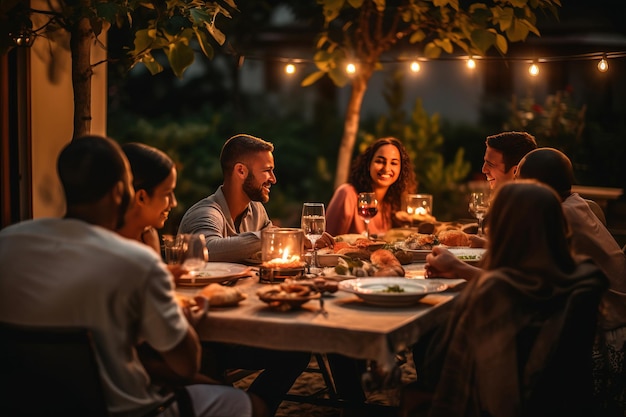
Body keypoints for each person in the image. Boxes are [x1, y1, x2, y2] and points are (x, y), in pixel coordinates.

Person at [0, 135, 261, 417]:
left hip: (29, 405)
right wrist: (186, 311)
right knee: (254, 406)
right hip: (133, 410)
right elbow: (186, 364)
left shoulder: (8, 242)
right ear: (119, 192)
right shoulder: (135, 261)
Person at [404, 181, 608, 417]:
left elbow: (447, 375)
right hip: (568, 404)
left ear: (503, 230)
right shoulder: (582, 279)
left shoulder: (496, 295)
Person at [178, 133, 312, 415]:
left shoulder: (256, 210)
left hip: (245, 317)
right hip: (211, 333)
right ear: (240, 171)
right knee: (297, 349)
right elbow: (209, 250)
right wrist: (269, 237)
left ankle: (254, 408)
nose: (273, 178)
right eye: (267, 170)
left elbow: (272, 251)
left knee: (302, 345)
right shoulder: (206, 213)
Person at [515, 147, 626, 414]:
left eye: (518, 177)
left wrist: (458, 267)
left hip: (608, 334)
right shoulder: (579, 205)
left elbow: (514, 278)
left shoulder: (559, 218)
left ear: (535, 186)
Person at [326, 136, 417, 237]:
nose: (387, 168)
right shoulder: (347, 194)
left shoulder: (391, 204)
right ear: (369, 164)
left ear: (401, 169)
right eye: (380, 161)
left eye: (393, 163)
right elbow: (326, 242)